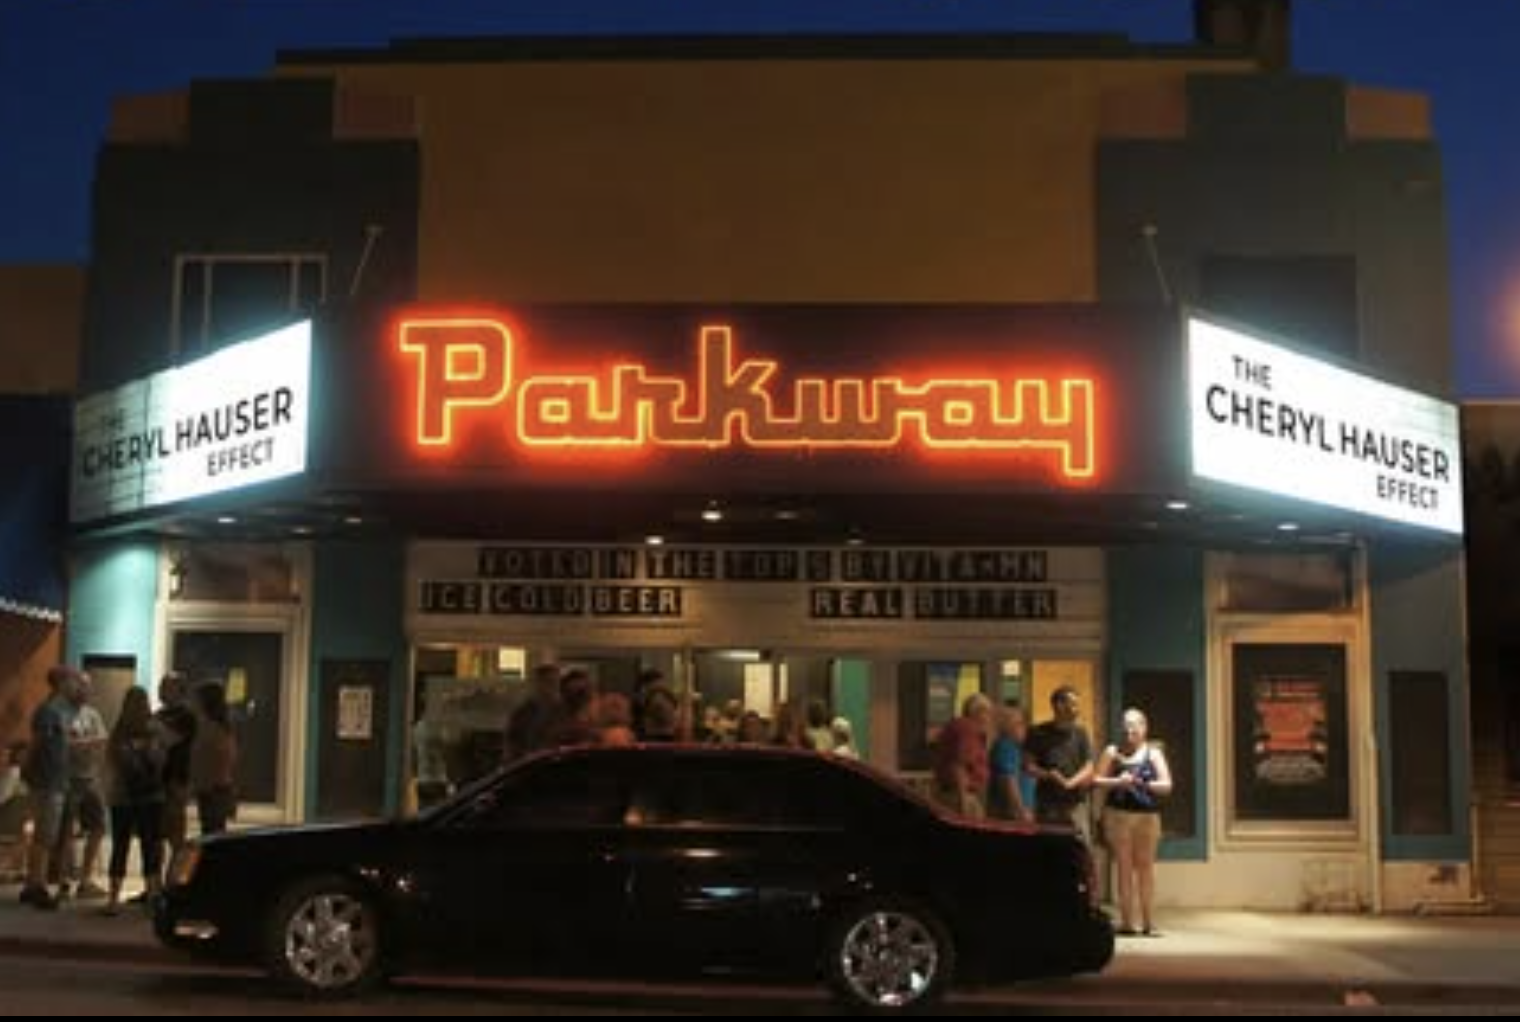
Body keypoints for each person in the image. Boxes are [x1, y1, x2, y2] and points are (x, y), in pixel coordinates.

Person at [1094, 708, 1172, 937]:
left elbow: (1167, 785)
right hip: (1118, 815)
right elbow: (1096, 780)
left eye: (1134, 725)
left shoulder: (1154, 753)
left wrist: (1143, 784)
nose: (1129, 730)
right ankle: (1127, 921)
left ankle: (1149, 921)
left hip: (1147, 817)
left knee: (1145, 868)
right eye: (1126, 725)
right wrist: (1118, 781)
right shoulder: (1112, 751)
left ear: (1144, 728)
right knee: (1124, 867)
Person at [19, 666, 82, 910]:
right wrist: (27, 768)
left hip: (56, 779)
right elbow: (37, 743)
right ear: (62, 683)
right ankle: (38, 885)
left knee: (46, 834)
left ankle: (32, 883)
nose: (75, 686)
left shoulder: (60, 711)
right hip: (47, 780)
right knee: (45, 835)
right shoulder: (49, 711)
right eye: (73, 681)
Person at [103, 686, 165, 915]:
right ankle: (153, 894)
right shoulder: (155, 729)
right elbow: (161, 761)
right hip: (152, 796)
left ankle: (113, 899)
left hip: (123, 797)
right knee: (151, 845)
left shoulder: (118, 732)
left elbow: (111, 761)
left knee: (120, 845)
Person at [1024, 686, 1095, 839]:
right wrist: (1050, 775)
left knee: (1079, 849)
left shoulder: (1081, 732)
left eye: (1077, 704)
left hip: (1077, 803)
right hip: (1048, 803)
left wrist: (1071, 782)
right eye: (1073, 704)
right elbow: (1028, 766)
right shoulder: (1037, 732)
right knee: (1048, 847)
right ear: (1058, 705)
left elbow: (1089, 765)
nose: (1077, 709)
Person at [930, 693, 993, 819]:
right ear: (978, 712)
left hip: (952, 794)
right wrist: (962, 801)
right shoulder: (967, 728)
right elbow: (959, 765)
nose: (989, 718)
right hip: (960, 796)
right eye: (988, 713)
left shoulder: (960, 726)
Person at [189, 684, 238, 835]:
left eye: (197, 699)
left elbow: (207, 763)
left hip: (212, 792)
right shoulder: (223, 728)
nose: (193, 703)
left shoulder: (210, 729)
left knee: (212, 837)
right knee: (215, 834)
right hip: (218, 790)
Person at [987, 702, 1036, 822]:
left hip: (1023, 812)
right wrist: (1021, 812)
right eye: (1016, 724)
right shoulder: (1006, 745)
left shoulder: (1019, 748)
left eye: (1021, 724)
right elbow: (1009, 781)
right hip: (1014, 816)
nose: (1021, 728)